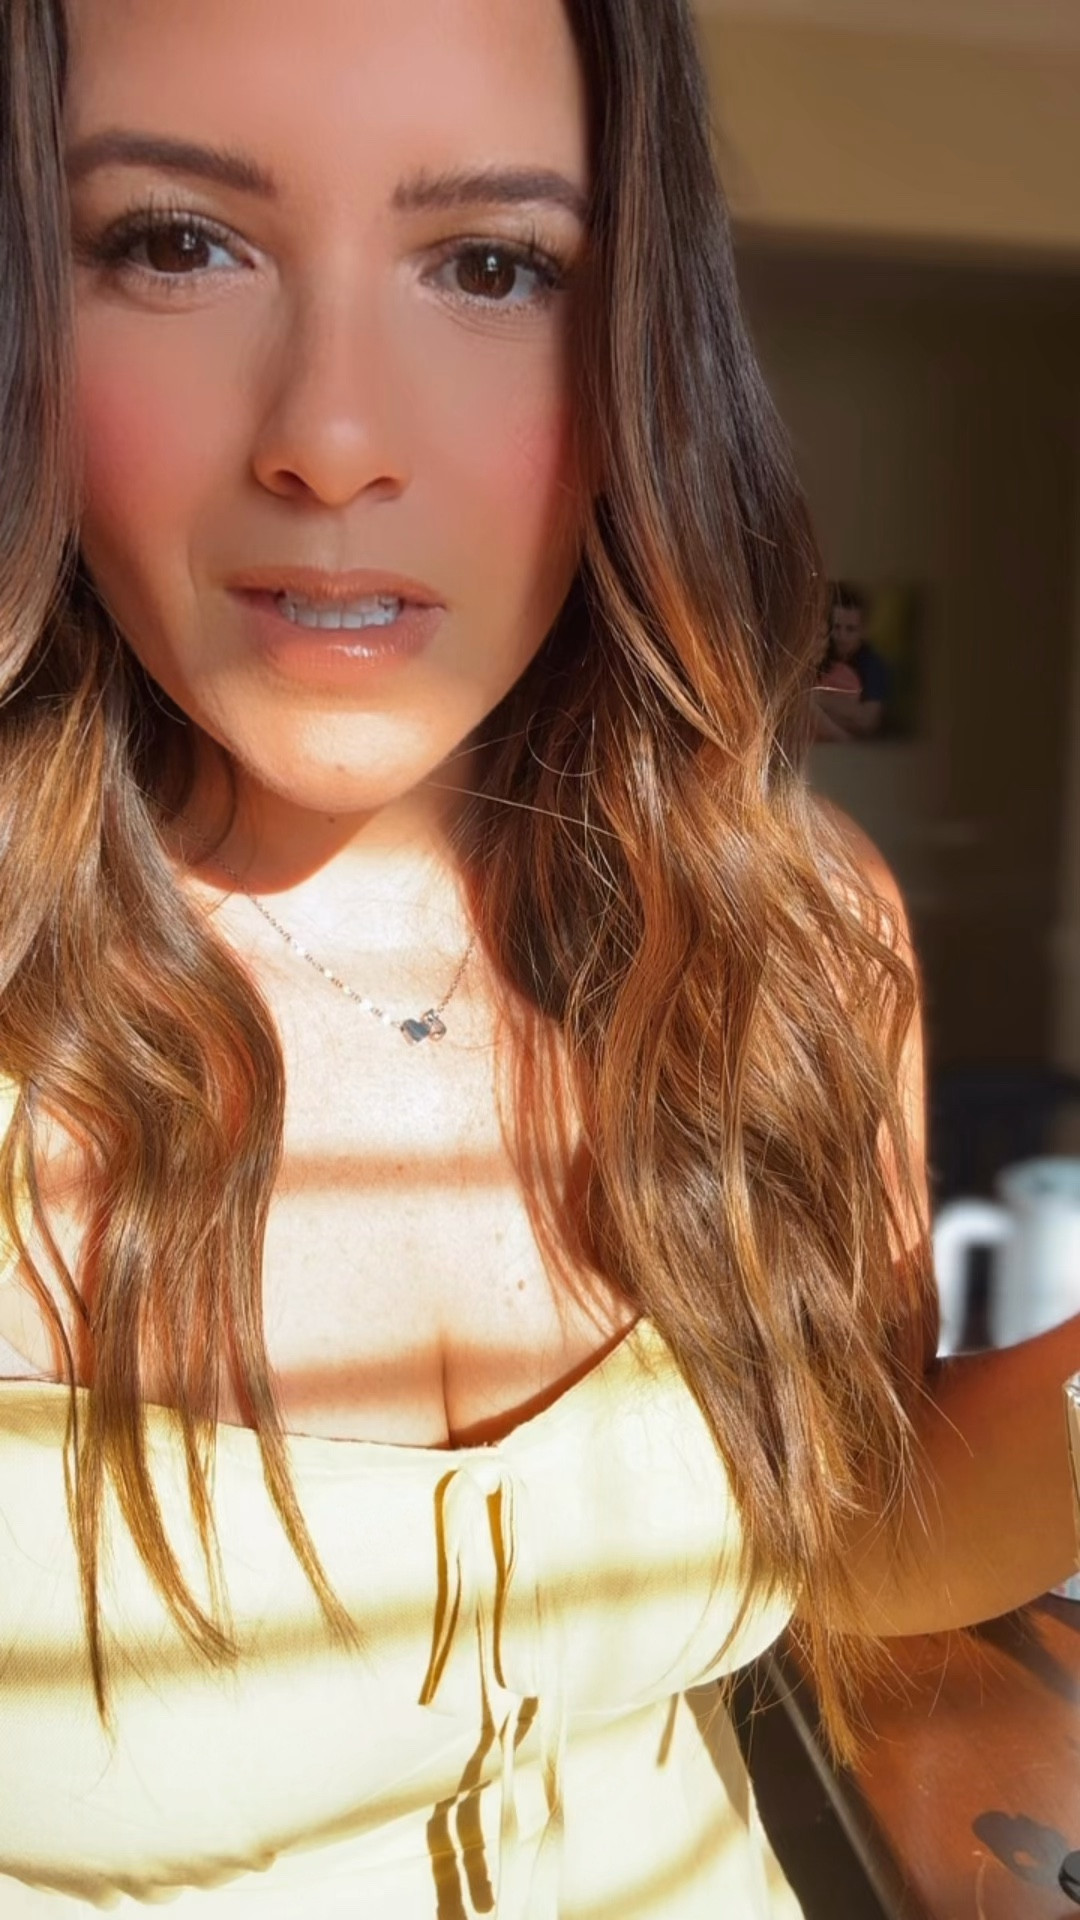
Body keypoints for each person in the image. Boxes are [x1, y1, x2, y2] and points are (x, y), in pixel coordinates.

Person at [0, 2, 1078, 1916]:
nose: (332, 439)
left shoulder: (790, 939)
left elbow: (853, 1546)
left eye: (493, 265)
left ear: (643, 351)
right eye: (175, 242)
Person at [812, 582, 891, 741]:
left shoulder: (873, 665)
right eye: (836, 627)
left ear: (863, 631)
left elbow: (868, 721)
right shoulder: (818, 653)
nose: (841, 636)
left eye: (850, 629)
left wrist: (816, 699)